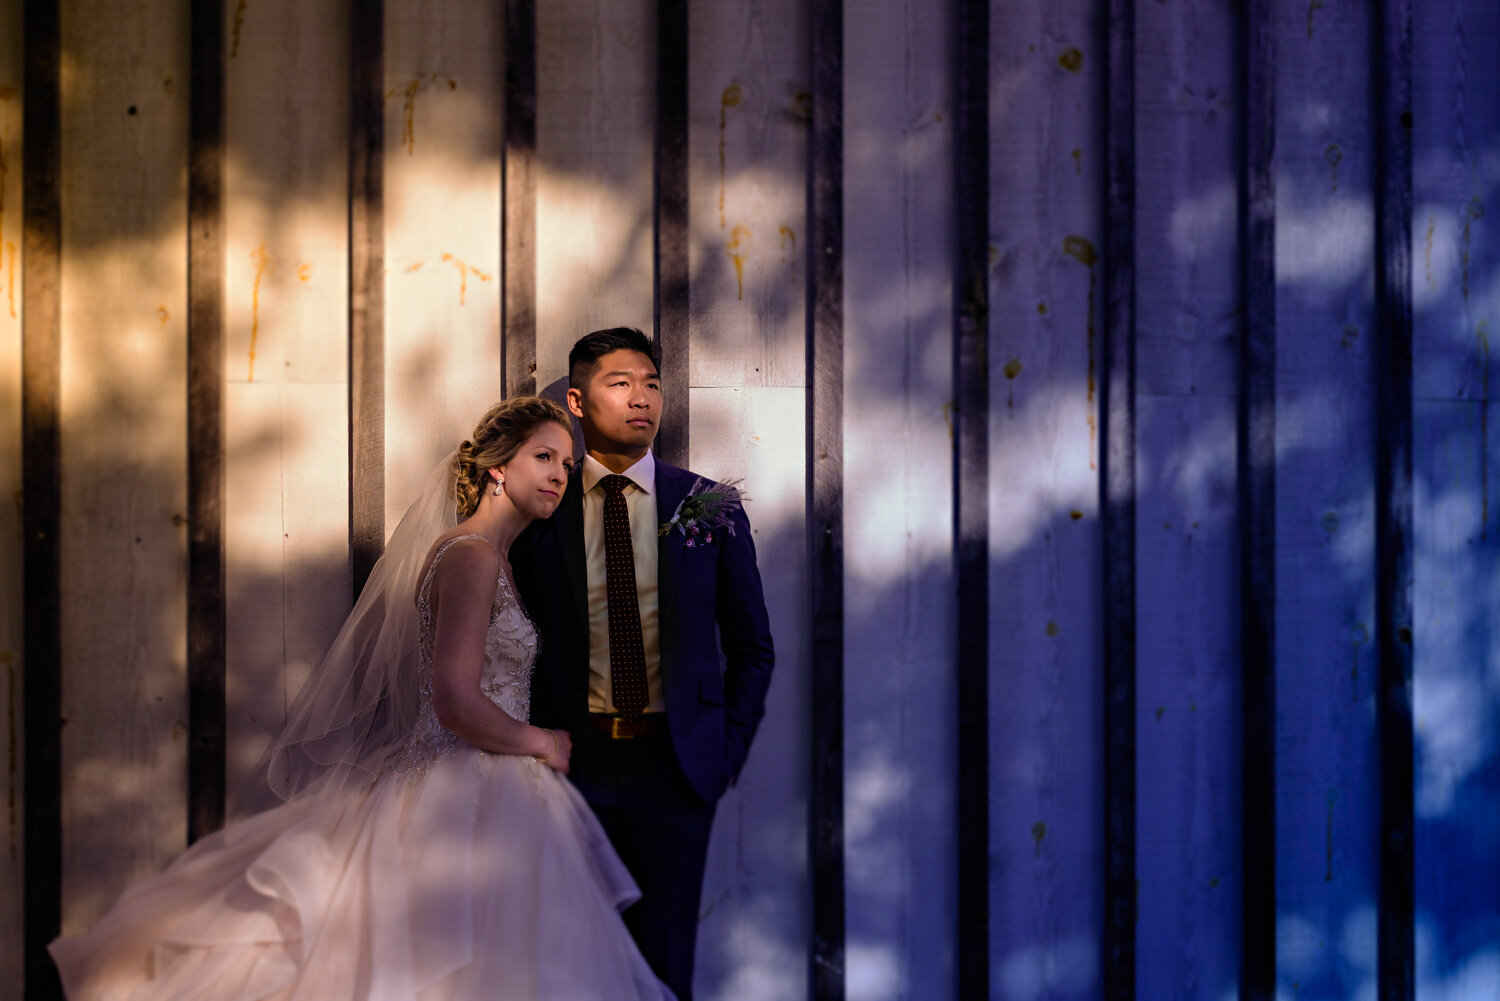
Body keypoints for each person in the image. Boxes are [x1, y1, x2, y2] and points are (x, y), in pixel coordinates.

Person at [49, 397, 674, 1001]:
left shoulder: (488, 556)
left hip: (492, 785)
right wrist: (544, 742)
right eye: (544, 457)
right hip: (466, 787)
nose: (560, 475)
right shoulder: (473, 558)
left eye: (566, 464)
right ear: (497, 468)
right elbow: (455, 701)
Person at [511, 327, 776, 1000]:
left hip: (678, 769)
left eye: (652, 383)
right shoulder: (542, 510)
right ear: (576, 399)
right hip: (571, 770)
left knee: (663, 969)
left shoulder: (709, 505)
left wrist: (722, 752)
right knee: (565, 965)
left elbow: (752, 647)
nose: (642, 398)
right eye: (620, 383)